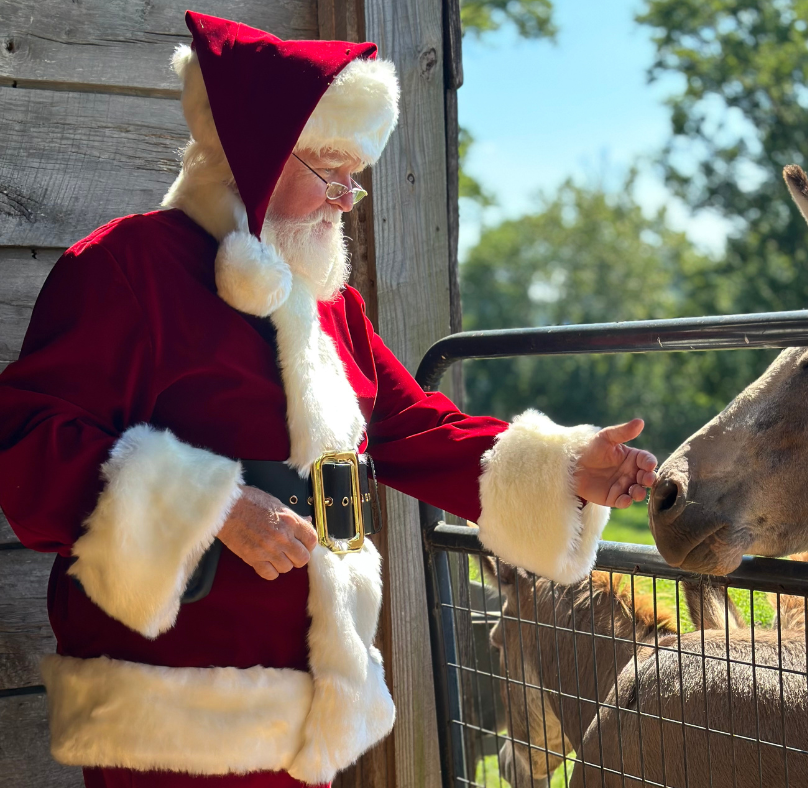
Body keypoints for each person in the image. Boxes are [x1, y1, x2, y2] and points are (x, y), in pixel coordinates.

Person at [0, 12, 658, 788]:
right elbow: (27, 452)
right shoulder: (122, 269)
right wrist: (215, 507)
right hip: (172, 711)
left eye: (358, 173)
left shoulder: (326, 300)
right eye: (331, 168)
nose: (349, 198)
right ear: (257, 152)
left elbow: (412, 426)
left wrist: (568, 466)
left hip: (313, 699)